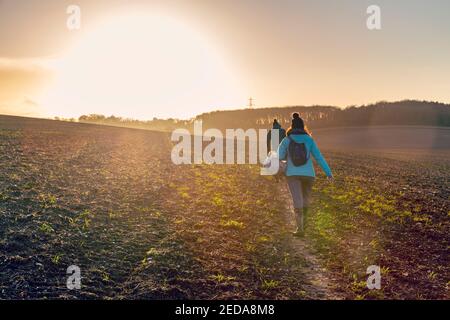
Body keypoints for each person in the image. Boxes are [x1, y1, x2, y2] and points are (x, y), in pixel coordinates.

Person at [277, 113, 333, 237]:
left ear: (291, 127)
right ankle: (305, 225)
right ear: (303, 127)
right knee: (306, 199)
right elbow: (319, 157)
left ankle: (300, 228)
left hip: (292, 174)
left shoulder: (286, 140)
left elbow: (279, 156)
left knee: (297, 200)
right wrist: (328, 173)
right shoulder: (309, 140)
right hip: (309, 175)